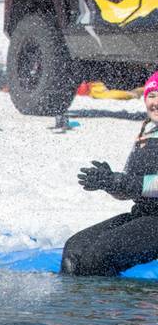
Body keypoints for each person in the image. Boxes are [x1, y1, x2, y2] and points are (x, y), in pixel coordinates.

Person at [61, 72, 158, 277]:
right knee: (73, 251)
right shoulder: (147, 134)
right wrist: (110, 183)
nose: (155, 102)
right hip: (142, 216)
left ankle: (110, 308)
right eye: (152, 95)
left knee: (100, 255)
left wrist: (122, 182)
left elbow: (137, 184)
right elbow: (128, 190)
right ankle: (74, 306)